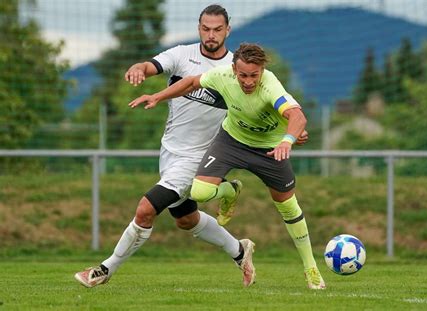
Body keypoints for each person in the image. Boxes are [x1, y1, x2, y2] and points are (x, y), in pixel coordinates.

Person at [74, 4, 257, 288]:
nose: (211, 35)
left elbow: (263, 100)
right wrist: (138, 68)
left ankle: (104, 270)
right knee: (186, 219)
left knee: (146, 209)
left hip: (200, 158)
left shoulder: (234, 69)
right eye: (206, 29)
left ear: (228, 30)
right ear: (199, 29)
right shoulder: (182, 54)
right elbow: (151, 66)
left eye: (217, 29)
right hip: (170, 151)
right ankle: (239, 251)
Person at [128, 43, 326, 290]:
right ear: (234, 69)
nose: (249, 81)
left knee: (287, 205)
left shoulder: (271, 86)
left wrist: (288, 140)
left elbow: (298, 117)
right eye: (243, 75)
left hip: (269, 148)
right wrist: (157, 96)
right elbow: (190, 83)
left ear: (262, 71)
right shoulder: (222, 75)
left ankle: (311, 269)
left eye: (254, 75)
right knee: (199, 192)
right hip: (231, 141)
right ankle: (230, 191)